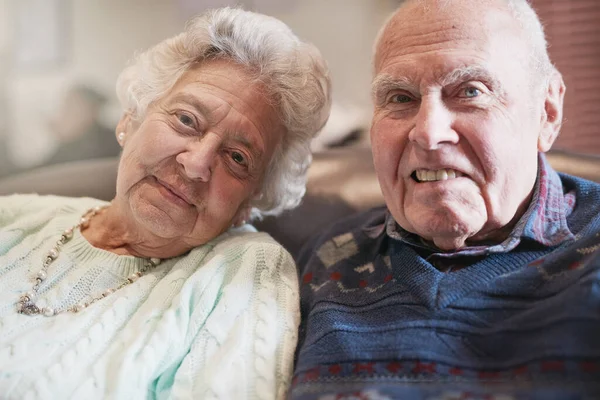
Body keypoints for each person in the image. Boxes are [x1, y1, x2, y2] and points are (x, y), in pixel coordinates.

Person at [0, 7, 330, 399]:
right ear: (131, 119)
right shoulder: (15, 215)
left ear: (251, 199)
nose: (196, 165)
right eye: (187, 120)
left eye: (238, 158)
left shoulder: (243, 270)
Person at [291, 0, 600, 399]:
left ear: (547, 112)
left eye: (470, 91)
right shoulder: (329, 257)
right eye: (401, 98)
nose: (428, 132)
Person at [44, 84, 122, 166]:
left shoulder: (105, 143)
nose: (62, 115)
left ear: (90, 109)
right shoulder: (71, 142)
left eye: (70, 108)